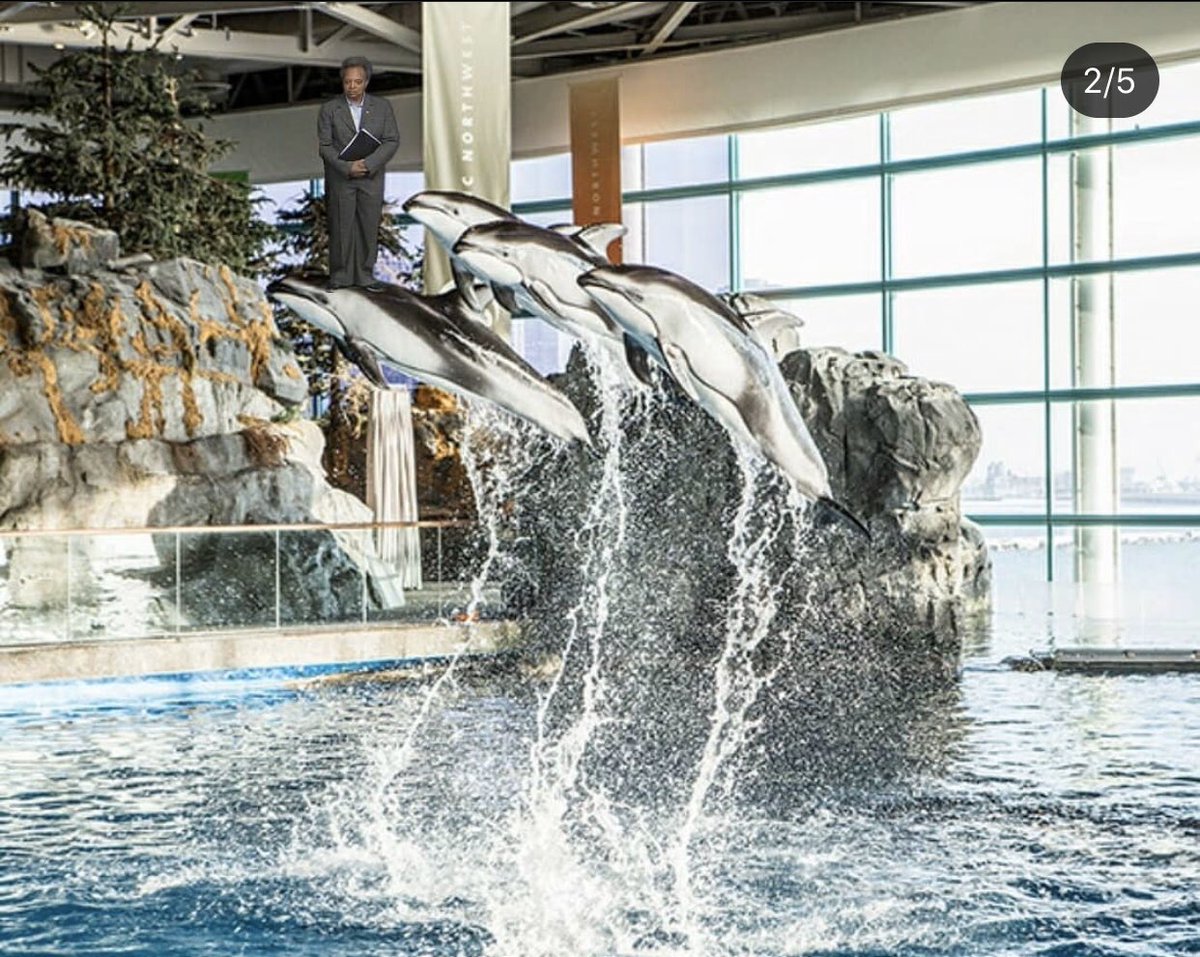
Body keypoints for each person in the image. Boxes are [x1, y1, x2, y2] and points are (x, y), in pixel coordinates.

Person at [317, 56, 399, 291]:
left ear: (366, 82)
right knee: (341, 226)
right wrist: (346, 167)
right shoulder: (330, 110)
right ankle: (340, 276)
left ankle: (365, 275)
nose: (352, 87)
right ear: (342, 82)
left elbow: (391, 140)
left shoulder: (382, 108)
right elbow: (324, 146)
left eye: (357, 82)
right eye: (348, 82)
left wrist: (369, 163)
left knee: (368, 225)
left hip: (371, 177)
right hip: (341, 178)